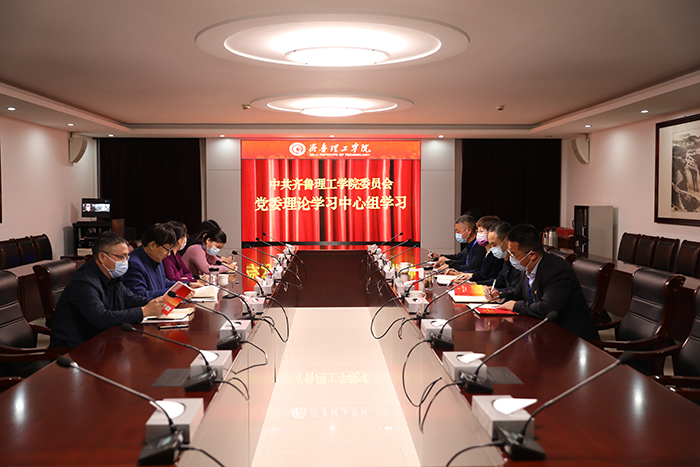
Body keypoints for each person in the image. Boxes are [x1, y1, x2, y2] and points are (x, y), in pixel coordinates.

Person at [49, 232, 164, 349]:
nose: (125, 262)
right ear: (102, 257)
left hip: (102, 342)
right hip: (76, 349)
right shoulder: (84, 282)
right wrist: (143, 312)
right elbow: (101, 318)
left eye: (127, 257)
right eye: (121, 257)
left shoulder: (112, 276)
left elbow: (130, 299)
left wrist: (157, 303)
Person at [492, 224, 599, 341]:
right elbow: (519, 291)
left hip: (572, 339)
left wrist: (516, 305)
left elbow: (547, 308)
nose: (511, 257)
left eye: (513, 254)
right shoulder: (527, 266)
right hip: (543, 332)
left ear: (532, 255)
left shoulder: (556, 270)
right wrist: (500, 296)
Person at [123, 223, 200, 299]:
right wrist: (176, 291)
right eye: (167, 249)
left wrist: (187, 285)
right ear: (152, 245)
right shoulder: (133, 264)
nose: (169, 254)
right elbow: (140, 295)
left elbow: (164, 283)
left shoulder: (156, 257)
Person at [452, 215, 502, 284]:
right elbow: (480, 273)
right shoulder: (486, 251)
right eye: (477, 231)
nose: (478, 234)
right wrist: (466, 275)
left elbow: (493, 279)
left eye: (481, 231)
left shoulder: (496, 254)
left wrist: (474, 282)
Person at [483, 221, 521, 294]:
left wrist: (497, 292)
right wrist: (478, 285)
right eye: (491, 245)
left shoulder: (518, 262)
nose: (492, 249)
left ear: (506, 241)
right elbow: (499, 281)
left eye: (494, 245)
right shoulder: (506, 260)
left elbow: (515, 290)